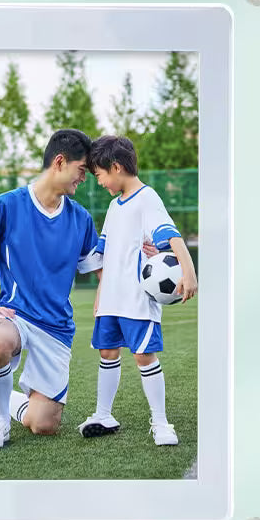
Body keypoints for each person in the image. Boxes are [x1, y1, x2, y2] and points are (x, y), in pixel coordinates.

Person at [0, 129, 103, 449]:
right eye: (81, 171)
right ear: (60, 161)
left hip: (56, 328)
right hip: (16, 315)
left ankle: (4, 401)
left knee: (44, 425)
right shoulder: (6, 205)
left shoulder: (81, 219)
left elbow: (103, 272)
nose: (84, 179)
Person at [78, 135, 198, 447]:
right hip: (111, 300)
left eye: (100, 175)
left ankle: (160, 422)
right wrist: (100, 293)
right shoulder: (114, 206)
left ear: (116, 167)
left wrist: (189, 271)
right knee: (107, 353)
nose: (99, 182)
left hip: (136, 301)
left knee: (144, 356)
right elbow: (104, 253)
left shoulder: (148, 198)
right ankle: (103, 414)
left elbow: (170, 235)